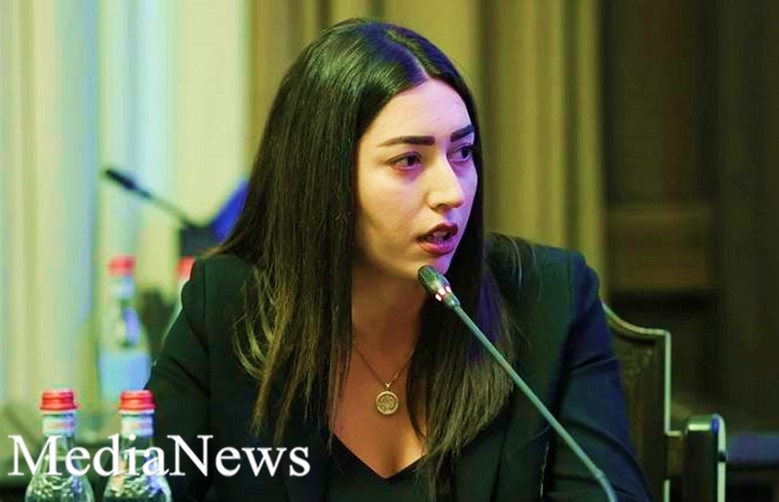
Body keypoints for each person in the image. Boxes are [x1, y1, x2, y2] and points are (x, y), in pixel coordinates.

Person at [147, 18, 652, 502]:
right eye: (409, 160)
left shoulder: (550, 300)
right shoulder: (228, 306)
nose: (452, 192)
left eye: (462, 152)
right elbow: (144, 485)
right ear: (323, 180)